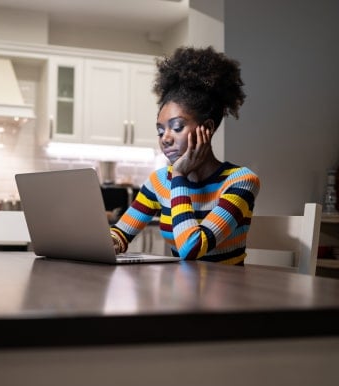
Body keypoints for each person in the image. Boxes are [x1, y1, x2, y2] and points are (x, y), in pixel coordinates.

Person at [110, 46, 260, 264]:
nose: (165, 138)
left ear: (206, 129)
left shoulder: (241, 181)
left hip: (229, 294)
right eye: (161, 131)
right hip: (180, 294)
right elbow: (121, 233)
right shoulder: (159, 182)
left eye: (177, 127)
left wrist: (179, 174)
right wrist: (111, 241)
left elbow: (191, 248)